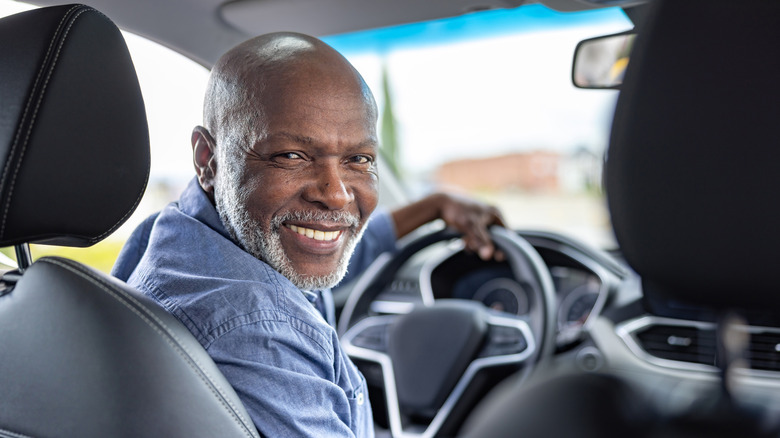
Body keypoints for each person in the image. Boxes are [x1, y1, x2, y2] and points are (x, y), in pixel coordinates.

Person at [113, 32, 505, 437]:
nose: (336, 195)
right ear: (208, 159)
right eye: (292, 156)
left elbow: (323, 251)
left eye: (358, 159)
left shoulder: (176, 233)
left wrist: (433, 206)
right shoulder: (258, 329)